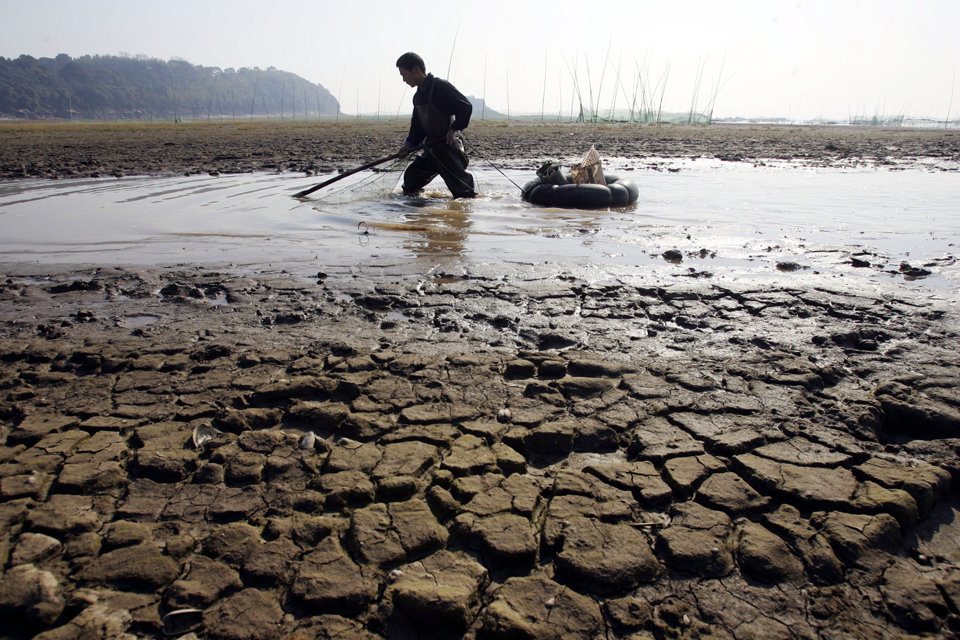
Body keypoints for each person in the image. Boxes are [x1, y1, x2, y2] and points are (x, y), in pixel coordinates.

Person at [396, 52, 477, 199]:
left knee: (463, 192)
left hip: (447, 148)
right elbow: (417, 128)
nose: (403, 80)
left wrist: (453, 130)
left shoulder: (440, 87)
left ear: (416, 69)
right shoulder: (418, 96)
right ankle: (417, 207)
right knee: (411, 179)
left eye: (404, 75)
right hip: (431, 148)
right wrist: (408, 145)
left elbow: (465, 106)